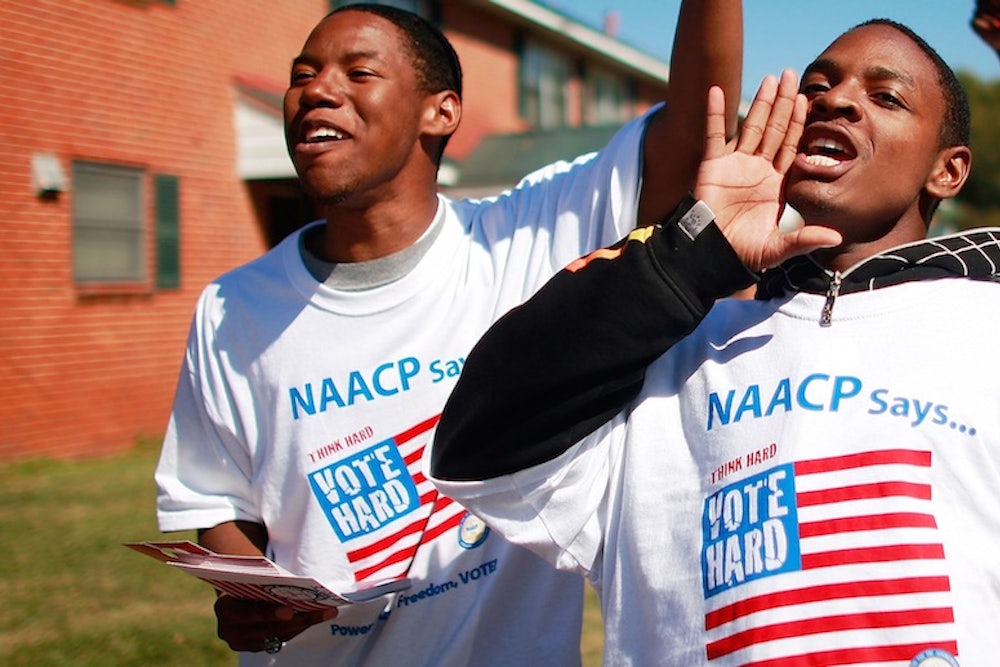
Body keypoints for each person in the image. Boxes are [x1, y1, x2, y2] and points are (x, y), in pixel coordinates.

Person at [154, 1, 748, 664]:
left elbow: (694, 129)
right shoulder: (231, 308)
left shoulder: (521, 238)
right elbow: (216, 496)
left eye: (358, 72)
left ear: (441, 112)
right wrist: (248, 592)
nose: (316, 90)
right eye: (302, 74)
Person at [429, 19, 1000, 666]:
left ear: (948, 170)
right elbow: (478, 447)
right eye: (817, 86)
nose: (836, 101)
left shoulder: (986, 328)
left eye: (886, 96)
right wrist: (690, 255)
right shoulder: (673, 352)